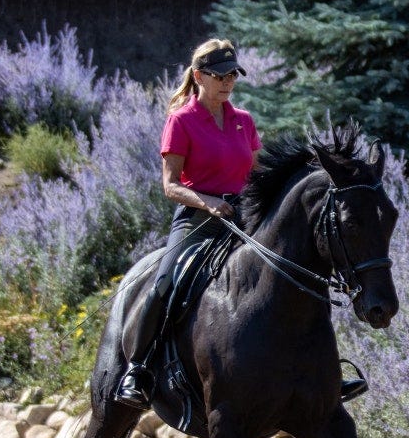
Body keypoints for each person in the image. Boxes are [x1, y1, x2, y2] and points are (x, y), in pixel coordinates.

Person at [114, 39, 367, 410]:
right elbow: (170, 186)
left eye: (233, 74)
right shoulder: (181, 121)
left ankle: (323, 371)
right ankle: (138, 369)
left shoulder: (243, 121)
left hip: (243, 220)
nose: (228, 82)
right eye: (219, 75)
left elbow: (256, 175)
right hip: (197, 221)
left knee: (301, 279)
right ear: (199, 76)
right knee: (164, 283)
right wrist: (208, 201)